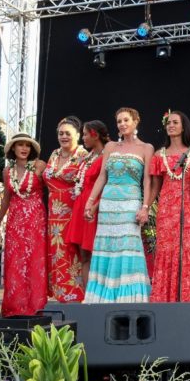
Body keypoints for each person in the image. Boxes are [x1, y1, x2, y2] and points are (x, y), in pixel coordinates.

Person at [84, 107, 153, 303]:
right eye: (119, 121)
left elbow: (147, 180)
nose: (122, 124)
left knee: (127, 247)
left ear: (135, 121)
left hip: (131, 203)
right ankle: (103, 297)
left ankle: (128, 298)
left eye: (126, 120)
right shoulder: (110, 147)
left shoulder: (146, 148)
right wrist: (91, 202)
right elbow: (102, 177)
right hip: (107, 204)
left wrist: (145, 207)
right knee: (107, 247)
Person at [148, 111, 190, 302]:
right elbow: (154, 188)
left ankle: (187, 301)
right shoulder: (159, 155)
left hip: (189, 212)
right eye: (168, 123)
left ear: (184, 126)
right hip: (166, 214)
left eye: (175, 122)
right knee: (166, 252)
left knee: (187, 252)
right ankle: (164, 300)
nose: (171, 125)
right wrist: (145, 207)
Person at [0, 133, 48, 317]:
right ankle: (15, 307)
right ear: (13, 149)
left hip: (35, 220)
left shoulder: (39, 166)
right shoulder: (7, 171)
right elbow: (7, 198)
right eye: (20, 145)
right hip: (15, 221)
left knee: (35, 261)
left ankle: (35, 306)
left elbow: (55, 185)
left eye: (27, 145)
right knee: (15, 261)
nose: (24, 149)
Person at [44, 116, 87, 302]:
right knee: (57, 257)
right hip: (53, 218)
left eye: (67, 133)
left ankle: (77, 299)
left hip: (74, 215)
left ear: (77, 135)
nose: (63, 137)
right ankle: (62, 300)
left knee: (74, 258)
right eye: (60, 133)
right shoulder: (54, 154)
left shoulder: (84, 156)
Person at [64, 120, 109, 290]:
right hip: (81, 206)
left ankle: (99, 295)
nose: (83, 138)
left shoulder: (107, 155)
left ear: (95, 135)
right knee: (83, 254)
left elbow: (106, 183)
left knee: (95, 252)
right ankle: (87, 297)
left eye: (84, 134)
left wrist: (95, 206)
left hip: (96, 207)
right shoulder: (88, 156)